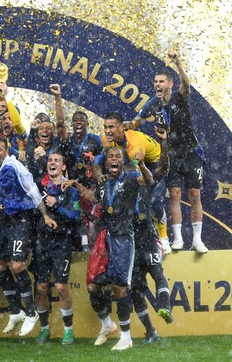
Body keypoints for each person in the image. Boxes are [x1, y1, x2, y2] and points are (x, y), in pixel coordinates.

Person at [128, 51, 207, 254]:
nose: (157, 85)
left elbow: (187, 84)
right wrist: (121, 126)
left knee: (194, 195)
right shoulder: (151, 104)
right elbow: (135, 123)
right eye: (155, 81)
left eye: (161, 81)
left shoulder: (180, 97)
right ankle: (178, 239)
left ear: (170, 84)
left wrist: (178, 62)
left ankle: (197, 240)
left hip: (191, 152)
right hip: (171, 155)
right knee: (174, 194)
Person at [0, 137, 57, 337]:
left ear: (5, 151)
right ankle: (15, 310)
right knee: (0, 265)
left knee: (17, 265)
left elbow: (33, 191)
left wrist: (44, 215)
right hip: (8, 220)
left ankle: (31, 312)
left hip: (23, 219)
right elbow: (4, 193)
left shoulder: (15, 167)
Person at [98, 146, 153, 350]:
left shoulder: (130, 178)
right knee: (109, 286)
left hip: (124, 240)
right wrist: (76, 185)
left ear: (122, 162)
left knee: (121, 287)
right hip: (109, 240)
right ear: (106, 162)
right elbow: (96, 200)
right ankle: (118, 332)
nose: (114, 159)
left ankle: (126, 337)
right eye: (110, 156)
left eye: (118, 156)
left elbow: (148, 181)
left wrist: (142, 165)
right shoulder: (104, 184)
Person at [102, 112, 170, 253]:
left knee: (151, 200)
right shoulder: (106, 139)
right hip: (134, 164)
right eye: (105, 127)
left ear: (121, 128)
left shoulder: (134, 145)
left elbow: (140, 178)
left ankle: (163, 237)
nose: (107, 131)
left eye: (111, 127)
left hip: (155, 163)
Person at [130, 127, 173, 345]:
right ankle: (150, 332)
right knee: (136, 290)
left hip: (148, 241)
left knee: (157, 273)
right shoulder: (120, 188)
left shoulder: (147, 183)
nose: (136, 176)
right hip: (131, 247)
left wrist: (163, 143)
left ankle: (165, 306)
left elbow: (163, 167)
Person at [32, 152, 81, 345]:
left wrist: (58, 204)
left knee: (60, 287)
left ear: (63, 167)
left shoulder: (69, 190)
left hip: (62, 242)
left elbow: (76, 217)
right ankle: (45, 329)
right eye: (50, 160)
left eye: (57, 161)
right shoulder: (39, 186)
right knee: (41, 288)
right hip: (42, 241)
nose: (52, 163)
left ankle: (68, 330)